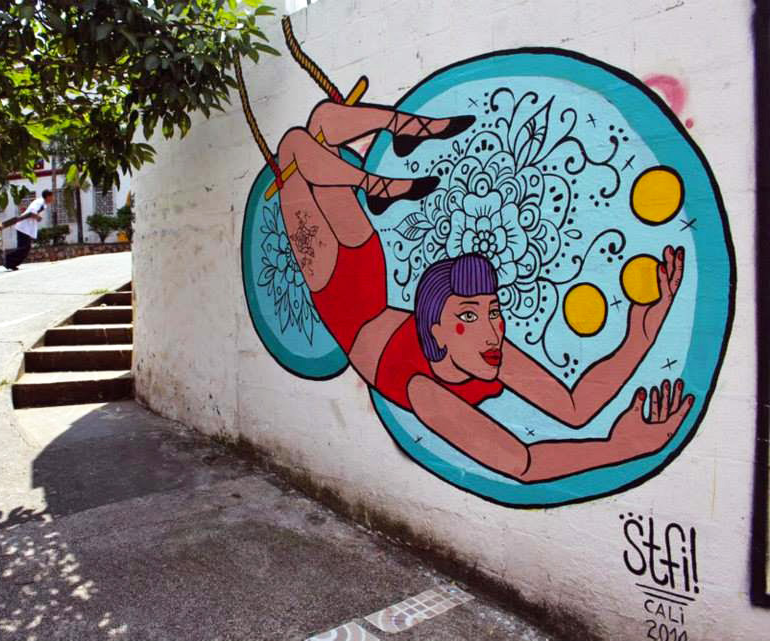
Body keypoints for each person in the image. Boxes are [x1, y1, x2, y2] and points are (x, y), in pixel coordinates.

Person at [274, 99, 690, 483]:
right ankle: (389, 160)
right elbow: (525, 464)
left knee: (307, 136)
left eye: (492, 311)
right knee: (308, 135)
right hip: (356, 282)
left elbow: (574, 409)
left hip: (340, 286)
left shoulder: (463, 364)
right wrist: (618, 448)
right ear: (436, 331)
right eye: (469, 315)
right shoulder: (441, 378)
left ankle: (384, 174)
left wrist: (641, 336)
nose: (492, 330)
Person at [4, 189, 54, 270]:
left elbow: (34, 214)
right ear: (48, 196)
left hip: (26, 228)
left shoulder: (43, 204)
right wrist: (38, 217)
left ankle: (11, 263)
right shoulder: (39, 202)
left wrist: (38, 218)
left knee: (25, 248)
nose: (53, 198)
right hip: (23, 227)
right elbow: (31, 213)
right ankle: (8, 260)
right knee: (24, 248)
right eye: (52, 196)